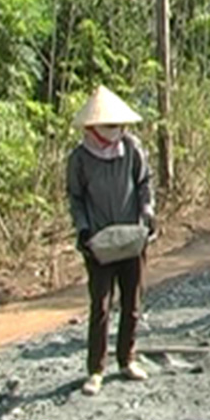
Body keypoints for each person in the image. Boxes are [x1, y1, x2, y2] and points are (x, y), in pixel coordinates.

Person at [66, 85, 155, 396]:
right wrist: (83, 229)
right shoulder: (79, 159)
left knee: (133, 302)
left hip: (132, 237)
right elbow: (76, 198)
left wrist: (147, 211)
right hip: (99, 243)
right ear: (92, 128)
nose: (114, 132)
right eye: (108, 127)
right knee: (101, 306)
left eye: (118, 127)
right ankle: (96, 369)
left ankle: (126, 359)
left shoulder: (131, 148)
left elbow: (144, 183)